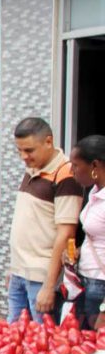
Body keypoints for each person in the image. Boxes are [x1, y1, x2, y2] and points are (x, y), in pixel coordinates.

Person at [0, 117, 82, 354]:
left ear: (49, 142)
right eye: (20, 151)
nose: (24, 157)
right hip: (21, 273)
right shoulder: (32, 170)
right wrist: (12, 269)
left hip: (41, 278)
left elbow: (65, 232)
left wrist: (50, 285)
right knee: (18, 341)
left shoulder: (65, 175)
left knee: (45, 346)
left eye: (29, 150)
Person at [68, 135, 105, 330]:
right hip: (87, 281)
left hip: (101, 286)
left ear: (95, 166)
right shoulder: (94, 193)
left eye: (75, 165)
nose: (71, 170)